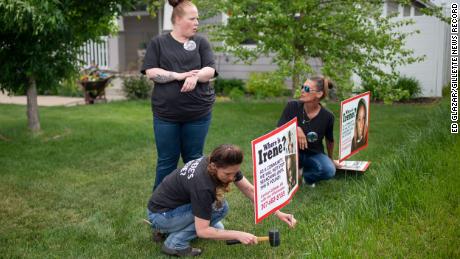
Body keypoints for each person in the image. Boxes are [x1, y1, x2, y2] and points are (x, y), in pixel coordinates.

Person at [147, 144, 297, 257]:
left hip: (169, 208)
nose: (232, 178)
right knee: (219, 208)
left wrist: (278, 212)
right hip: (161, 215)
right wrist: (238, 234)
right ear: (214, 166)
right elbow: (203, 230)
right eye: (227, 174)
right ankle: (174, 243)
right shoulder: (203, 186)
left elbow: (249, 190)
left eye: (235, 173)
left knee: (217, 220)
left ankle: (166, 230)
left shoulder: (215, 162)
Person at [141, 0, 218, 190]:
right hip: (166, 116)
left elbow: (210, 69)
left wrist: (196, 76)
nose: (197, 22)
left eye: (197, 18)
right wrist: (178, 75)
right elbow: (151, 71)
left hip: (198, 114)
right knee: (167, 161)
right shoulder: (159, 43)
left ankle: (198, 204)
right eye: (192, 18)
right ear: (177, 19)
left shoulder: (201, 42)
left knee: (194, 161)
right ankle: (159, 209)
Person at [277, 76, 340, 187]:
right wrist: (295, 128)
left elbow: (330, 140)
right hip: (292, 153)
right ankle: (295, 170)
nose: (302, 90)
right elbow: (278, 130)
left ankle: (305, 177)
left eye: (306, 89)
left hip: (314, 154)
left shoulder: (328, 116)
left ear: (319, 94)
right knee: (279, 174)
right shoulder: (292, 106)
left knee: (329, 170)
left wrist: (331, 159)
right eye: (302, 87)